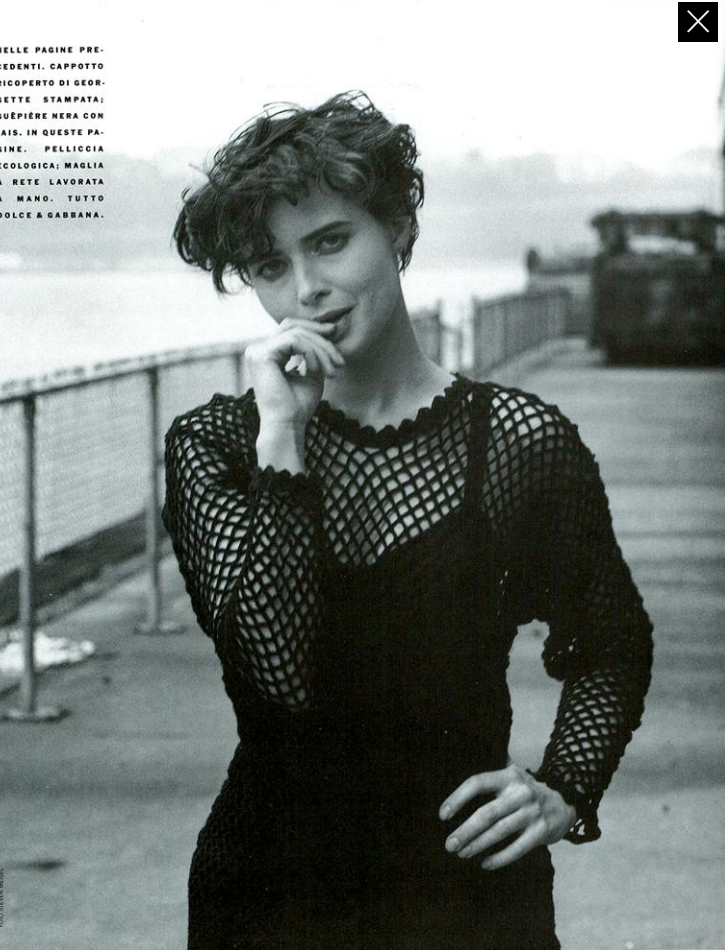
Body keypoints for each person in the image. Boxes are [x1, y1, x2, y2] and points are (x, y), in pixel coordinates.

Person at [163, 91, 653, 950]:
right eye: (270, 267)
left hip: (466, 895)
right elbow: (279, 677)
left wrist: (566, 787)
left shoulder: (518, 442)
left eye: (330, 241)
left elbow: (612, 643)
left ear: (397, 227)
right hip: (272, 894)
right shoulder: (219, 446)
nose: (307, 289)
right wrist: (283, 435)